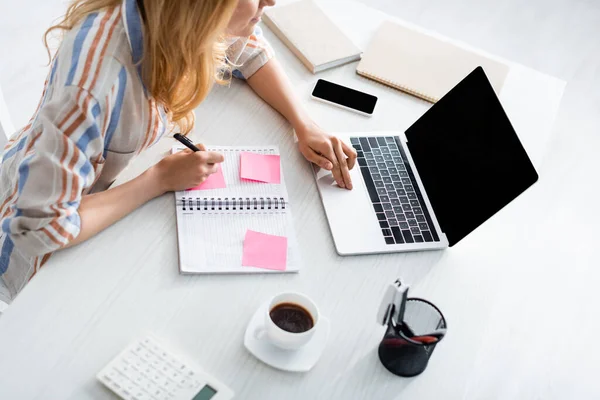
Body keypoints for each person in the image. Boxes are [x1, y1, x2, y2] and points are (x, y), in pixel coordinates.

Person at [0, 0, 357, 302]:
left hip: (100, 201)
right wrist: (157, 179)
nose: (272, 1)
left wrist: (304, 123)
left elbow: (248, 48)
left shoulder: (177, 20)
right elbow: (42, 228)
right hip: (36, 263)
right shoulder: (93, 89)